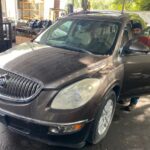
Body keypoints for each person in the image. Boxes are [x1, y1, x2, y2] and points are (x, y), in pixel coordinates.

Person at [122, 22, 142, 111]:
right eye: (134, 30)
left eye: (137, 30)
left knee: (136, 85)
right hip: (130, 64)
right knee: (128, 82)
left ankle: (133, 104)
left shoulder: (146, 40)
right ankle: (125, 98)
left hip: (140, 66)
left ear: (141, 30)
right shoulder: (131, 39)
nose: (135, 32)